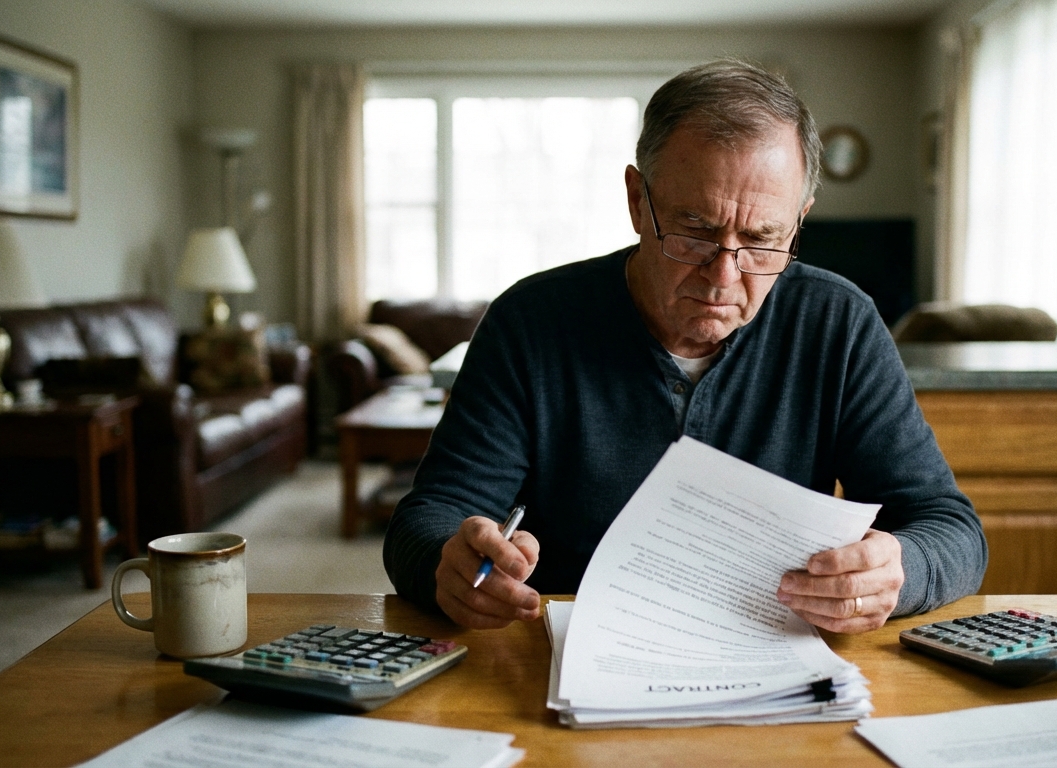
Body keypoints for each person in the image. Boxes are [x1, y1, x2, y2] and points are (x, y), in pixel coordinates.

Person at [384, 59, 986, 634]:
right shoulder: (531, 321)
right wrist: (452, 564)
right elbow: (429, 518)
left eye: (762, 239)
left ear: (798, 222)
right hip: (567, 651)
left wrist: (899, 572)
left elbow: (952, 529)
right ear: (637, 201)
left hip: (772, 651)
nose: (724, 276)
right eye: (695, 230)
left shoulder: (838, 322)